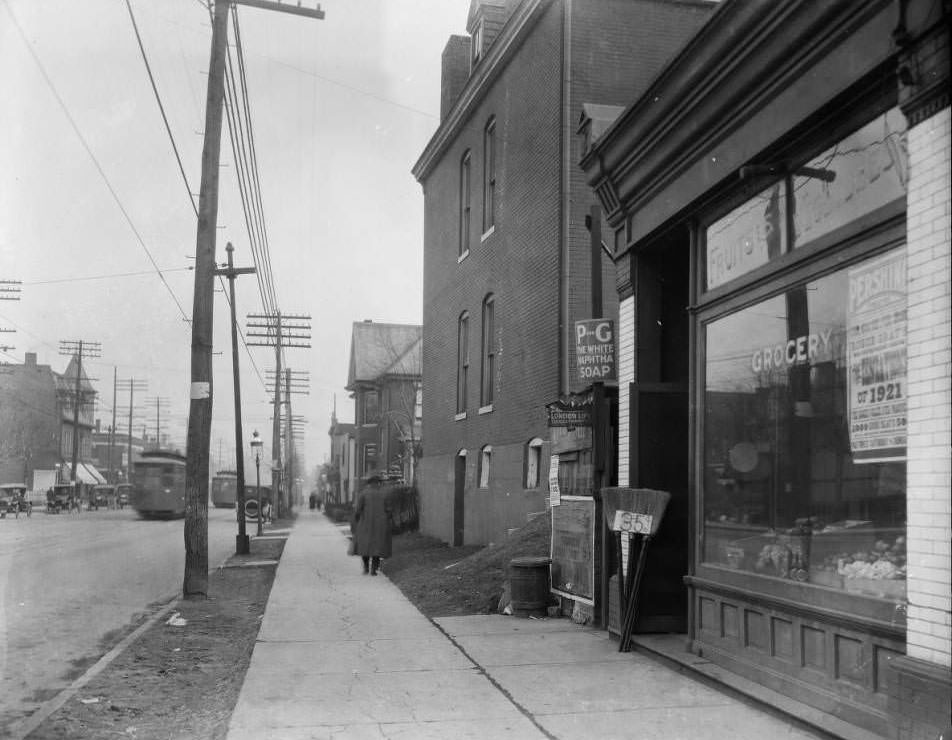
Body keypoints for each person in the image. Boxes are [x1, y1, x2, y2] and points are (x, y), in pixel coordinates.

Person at [352, 473, 393, 575]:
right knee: (378, 546)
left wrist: (357, 520)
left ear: (369, 483)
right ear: (378, 483)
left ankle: (366, 567)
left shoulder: (364, 493)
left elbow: (358, 509)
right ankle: (374, 569)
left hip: (365, 523)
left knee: (364, 546)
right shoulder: (383, 494)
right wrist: (388, 519)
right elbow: (389, 510)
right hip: (380, 524)